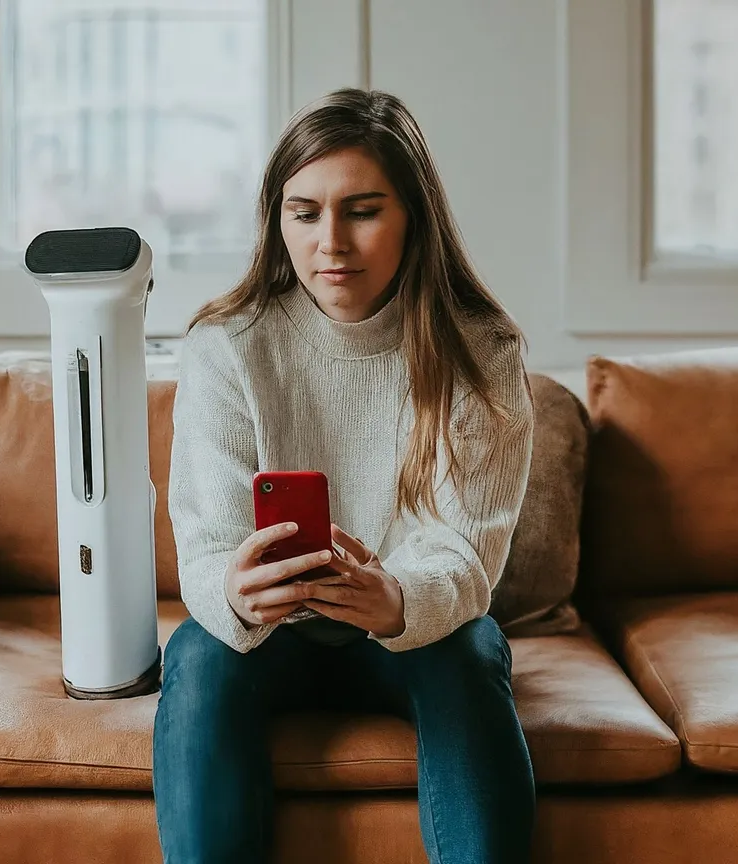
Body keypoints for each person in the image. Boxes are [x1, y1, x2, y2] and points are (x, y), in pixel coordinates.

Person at [152, 86, 536, 864]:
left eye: (362, 210)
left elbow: (465, 558)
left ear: (413, 218)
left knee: (470, 647)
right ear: (277, 221)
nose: (332, 242)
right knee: (196, 652)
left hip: (411, 631)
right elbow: (205, 548)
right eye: (305, 212)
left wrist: (395, 599)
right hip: (272, 639)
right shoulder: (227, 346)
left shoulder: (482, 351)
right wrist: (235, 591)